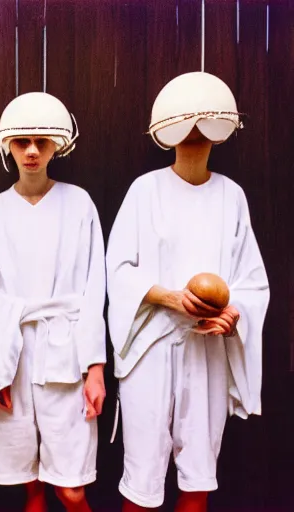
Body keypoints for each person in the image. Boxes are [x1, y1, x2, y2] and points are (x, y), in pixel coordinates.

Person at [105, 71, 270, 512]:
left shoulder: (231, 196)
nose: (196, 132)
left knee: (198, 475)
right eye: (187, 122)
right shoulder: (145, 190)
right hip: (151, 346)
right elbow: (117, 270)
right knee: (141, 478)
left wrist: (233, 314)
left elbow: (252, 282)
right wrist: (168, 296)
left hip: (206, 349)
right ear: (168, 128)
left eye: (205, 122)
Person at [0, 92, 107, 512]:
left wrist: (95, 369)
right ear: (7, 146)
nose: (32, 151)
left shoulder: (79, 203)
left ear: (58, 143)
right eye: (22, 142)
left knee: (70, 487)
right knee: (30, 484)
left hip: (67, 351)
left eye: (41, 140)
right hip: (12, 355)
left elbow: (95, 290)